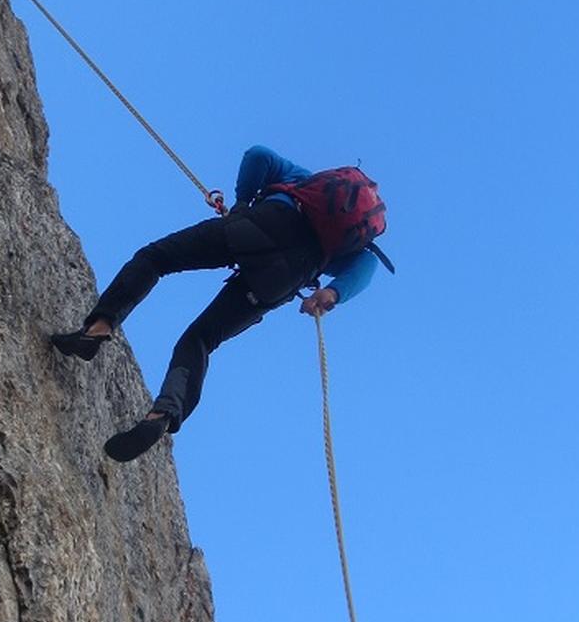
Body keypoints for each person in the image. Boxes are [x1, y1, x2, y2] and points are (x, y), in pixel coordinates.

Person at [51, 145, 387, 461]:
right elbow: (368, 265)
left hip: (258, 226)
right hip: (283, 279)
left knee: (155, 259)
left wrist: (242, 204)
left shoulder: (305, 180)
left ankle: (98, 328)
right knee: (200, 339)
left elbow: (258, 155)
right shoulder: (349, 243)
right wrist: (331, 293)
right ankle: (164, 413)